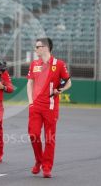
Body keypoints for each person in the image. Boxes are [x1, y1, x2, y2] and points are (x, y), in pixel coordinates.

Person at [27, 37, 72, 178]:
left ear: (45, 47)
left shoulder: (59, 64)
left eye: (37, 46)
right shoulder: (34, 64)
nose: (35, 49)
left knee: (49, 138)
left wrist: (61, 90)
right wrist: (30, 102)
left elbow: (68, 82)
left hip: (51, 107)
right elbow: (29, 83)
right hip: (35, 106)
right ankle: (39, 161)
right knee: (33, 135)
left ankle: (47, 167)